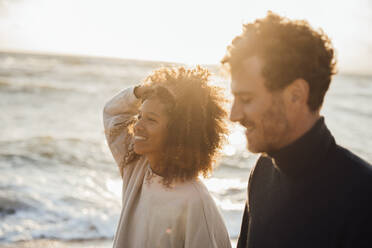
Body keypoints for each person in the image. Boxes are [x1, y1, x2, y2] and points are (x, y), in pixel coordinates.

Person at [221, 12, 372, 248]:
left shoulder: (363, 197)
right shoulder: (262, 171)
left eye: (246, 99)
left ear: (296, 95)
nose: (234, 115)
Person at [103, 66, 232, 248]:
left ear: (177, 133)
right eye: (140, 116)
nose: (138, 126)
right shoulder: (135, 167)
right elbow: (113, 113)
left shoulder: (195, 201)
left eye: (151, 120)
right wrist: (141, 91)